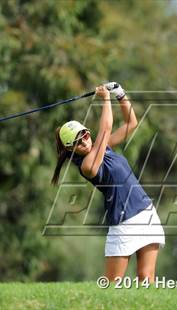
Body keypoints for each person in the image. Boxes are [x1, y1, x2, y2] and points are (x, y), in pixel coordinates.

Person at [51, 83, 165, 283]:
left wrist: (120, 94)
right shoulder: (87, 165)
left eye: (84, 134)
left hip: (146, 212)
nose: (85, 140)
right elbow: (105, 129)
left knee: (146, 278)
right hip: (123, 223)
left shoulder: (103, 148)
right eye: (78, 141)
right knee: (112, 285)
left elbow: (131, 123)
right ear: (70, 149)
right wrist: (105, 98)